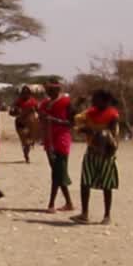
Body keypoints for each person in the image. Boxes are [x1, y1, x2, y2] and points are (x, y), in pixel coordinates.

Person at [72, 90, 121, 225]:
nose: (94, 101)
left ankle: (107, 215)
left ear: (105, 101)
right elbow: (75, 118)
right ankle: (84, 213)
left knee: (107, 185)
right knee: (85, 182)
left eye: (96, 99)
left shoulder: (113, 115)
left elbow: (111, 135)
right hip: (92, 151)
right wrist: (77, 105)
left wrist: (91, 131)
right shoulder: (90, 113)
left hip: (106, 153)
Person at [39, 80, 75, 213]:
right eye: (47, 90)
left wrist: (55, 120)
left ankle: (51, 203)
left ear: (58, 89)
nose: (48, 92)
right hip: (49, 140)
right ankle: (69, 202)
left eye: (51, 90)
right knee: (57, 171)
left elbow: (71, 123)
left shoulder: (66, 102)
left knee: (57, 172)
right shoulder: (44, 104)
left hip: (62, 139)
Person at [10, 86, 41, 164]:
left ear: (29, 93)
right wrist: (17, 112)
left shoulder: (33, 101)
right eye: (23, 93)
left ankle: (26, 152)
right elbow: (11, 112)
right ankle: (26, 155)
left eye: (27, 93)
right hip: (20, 123)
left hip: (31, 125)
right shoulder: (18, 101)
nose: (25, 94)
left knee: (29, 141)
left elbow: (39, 111)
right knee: (25, 142)